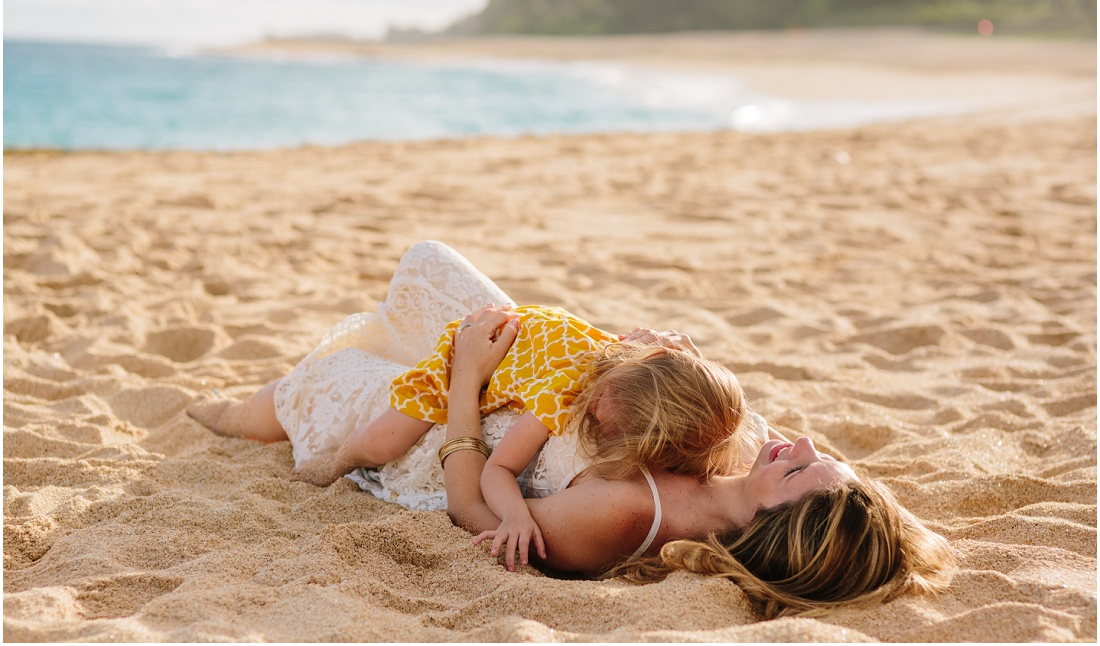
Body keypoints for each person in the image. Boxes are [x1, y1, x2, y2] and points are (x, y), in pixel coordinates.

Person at [186, 239, 956, 615]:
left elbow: (471, 508)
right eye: (827, 455)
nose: (802, 443)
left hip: (455, 439)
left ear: (766, 521)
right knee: (428, 265)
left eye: (798, 470)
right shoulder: (746, 462)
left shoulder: (623, 512)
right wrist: (649, 356)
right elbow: (664, 397)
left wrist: (465, 381)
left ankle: (223, 413)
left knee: (314, 390)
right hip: (529, 389)